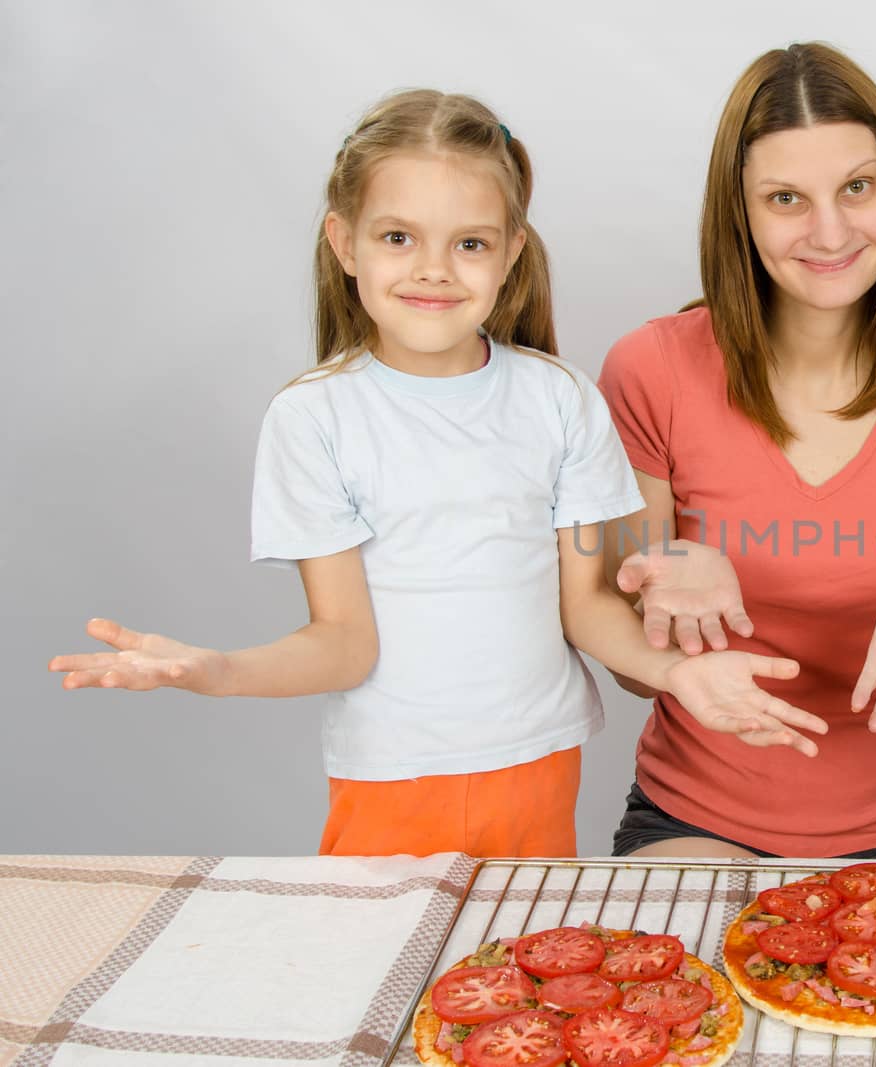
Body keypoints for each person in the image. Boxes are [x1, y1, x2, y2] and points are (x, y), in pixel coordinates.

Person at [47, 89, 819, 858]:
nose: (434, 270)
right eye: (397, 237)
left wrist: (677, 674)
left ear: (513, 249)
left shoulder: (559, 399)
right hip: (391, 778)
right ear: (345, 243)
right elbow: (344, 642)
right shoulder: (314, 418)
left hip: (538, 765)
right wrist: (214, 670)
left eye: (470, 244)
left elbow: (582, 608)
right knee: (384, 972)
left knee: (514, 972)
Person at [597, 44, 876, 860]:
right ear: (740, 214)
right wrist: (671, 588)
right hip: (693, 818)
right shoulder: (649, 369)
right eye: (785, 198)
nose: (831, 231)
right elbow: (631, 661)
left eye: (856, 188)